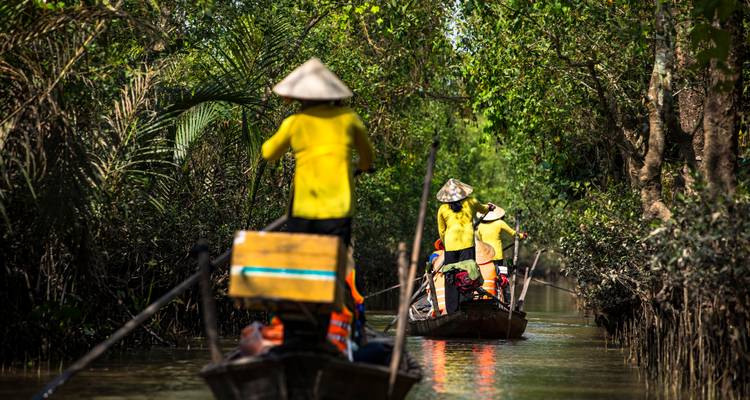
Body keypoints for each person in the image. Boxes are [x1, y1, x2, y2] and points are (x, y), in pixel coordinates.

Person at [260, 57, 374, 351]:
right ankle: (321, 337)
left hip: (303, 210)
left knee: (301, 271)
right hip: (338, 210)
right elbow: (368, 156)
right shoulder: (348, 119)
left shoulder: (295, 122)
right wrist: (361, 168)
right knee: (330, 273)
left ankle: (296, 332)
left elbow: (268, 152)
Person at [436, 178, 495, 313]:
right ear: (462, 192)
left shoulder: (442, 209)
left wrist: (446, 245)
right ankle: (466, 306)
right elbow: (484, 209)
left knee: (451, 276)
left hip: (450, 245)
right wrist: (490, 207)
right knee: (467, 275)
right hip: (467, 244)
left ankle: (452, 309)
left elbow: (442, 231)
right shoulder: (471, 202)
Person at [476, 206, 528, 303]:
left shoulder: (480, 226)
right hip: (497, 256)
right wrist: (522, 235)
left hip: (485, 257)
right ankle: (506, 301)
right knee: (501, 278)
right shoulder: (499, 223)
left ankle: (486, 297)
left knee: (487, 277)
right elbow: (514, 233)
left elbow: (480, 239)